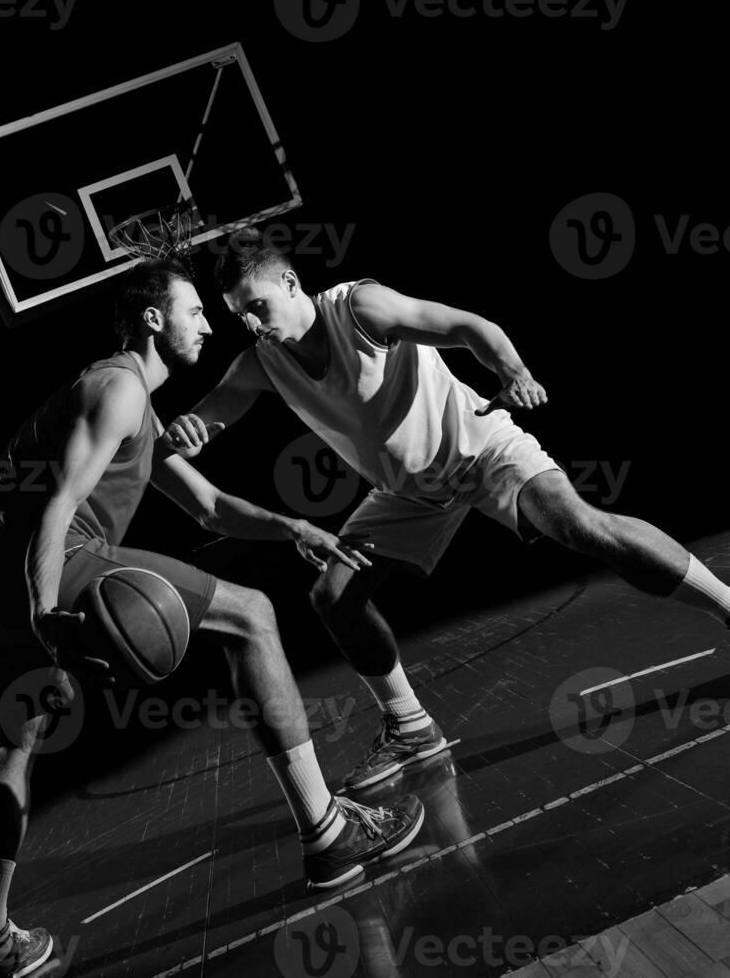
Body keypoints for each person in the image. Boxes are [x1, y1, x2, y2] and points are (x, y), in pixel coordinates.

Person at [0, 259, 425, 977]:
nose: (208, 324)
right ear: (153, 320)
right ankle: (327, 833)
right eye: (195, 310)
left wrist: (296, 528)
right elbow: (59, 508)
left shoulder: (135, 401)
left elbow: (208, 507)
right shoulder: (118, 388)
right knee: (253, 615)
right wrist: (48, 613)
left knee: (21, 740)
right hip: (45, 562)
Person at [163, 228, 730, 795]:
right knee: (334, 596)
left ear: (290, 283)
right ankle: (411, 727)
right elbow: (205, 421)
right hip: (406, 493)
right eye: (241, 316)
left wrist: (513, 372)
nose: (254, 324)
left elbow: (468, 328)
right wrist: (177, 432)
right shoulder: (260, 362)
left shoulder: (361, 307)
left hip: (479, 448)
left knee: (582, 525)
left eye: (258, 307)